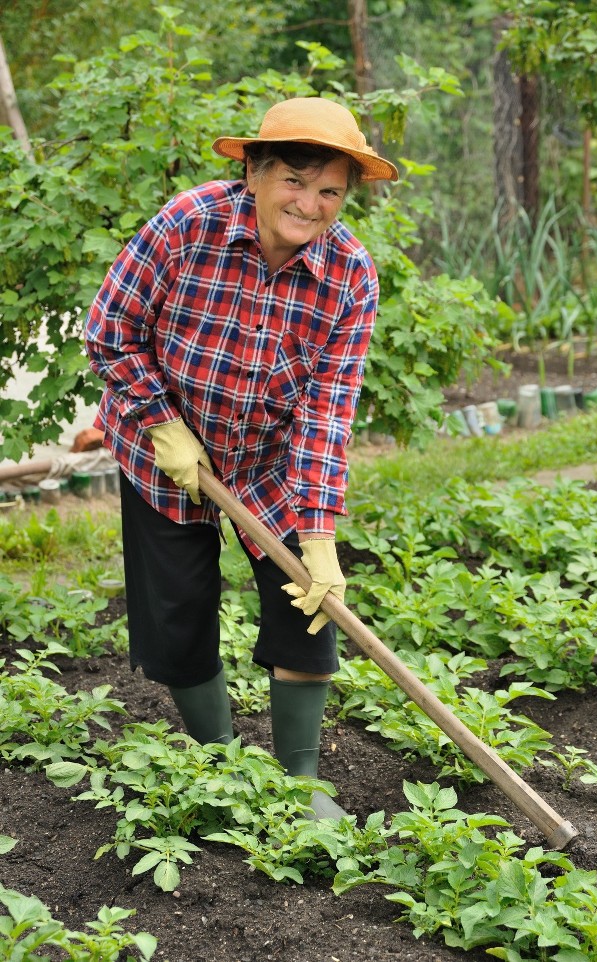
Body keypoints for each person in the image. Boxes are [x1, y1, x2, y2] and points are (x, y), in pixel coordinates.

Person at [85, 96, 398, 818]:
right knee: (180, 608)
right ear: (253, 171)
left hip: (268, 464)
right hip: (160, 448)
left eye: (330, 191)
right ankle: (219, 760)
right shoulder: (187, 224)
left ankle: (300, 780)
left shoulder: (350, 276)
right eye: (295, 179)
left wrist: (318, 538)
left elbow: (327, 412)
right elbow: (110, 330)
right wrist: (164, 425)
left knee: (304, 609)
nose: (311, 203)